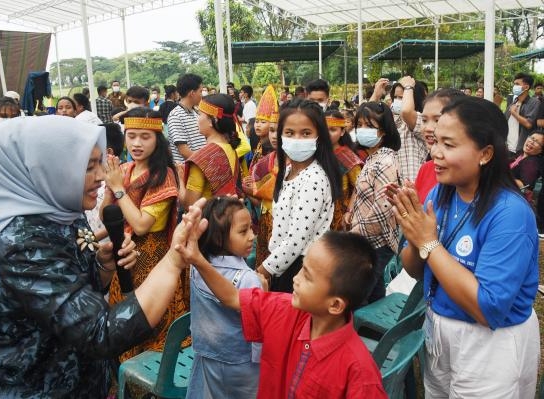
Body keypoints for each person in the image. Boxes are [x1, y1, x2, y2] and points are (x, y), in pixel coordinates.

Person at [0, 115, 200, 397]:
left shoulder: (62, 215)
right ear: (44, 170)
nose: (101, 177)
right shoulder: (22, 244)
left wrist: (103, 266)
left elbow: (77, 291)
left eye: (99, 163)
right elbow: (99, 333)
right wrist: (174, 259)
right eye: (87, 166)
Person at [391, 96, 540, 398]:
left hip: (489, 344)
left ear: (485, 153)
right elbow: (415, 268)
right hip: (440, 329)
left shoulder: (509, 214)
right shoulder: (440, 193)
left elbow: (488, 307)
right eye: (435, 142)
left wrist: (429, 243)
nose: (435, 153)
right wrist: (413, 233)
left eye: (449, 144)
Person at [175, 211, 387, 398]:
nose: (296, 278)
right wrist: (198, 260)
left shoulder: (359, 372)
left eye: (307, 276)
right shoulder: (284, 310)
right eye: (302, 268)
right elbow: (232, 297)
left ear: (335, 305)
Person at [101, 108, 187, 358]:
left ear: (158, 139)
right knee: (123, 321)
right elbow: (107, 216)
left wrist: (118, 188)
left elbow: (140, 225)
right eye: (132, 136)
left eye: (145, 137)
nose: (137, 143)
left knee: (152, 323)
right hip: (124, 254)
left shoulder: (164, 176)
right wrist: (110, 187)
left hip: (150, 258)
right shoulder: (125, 169)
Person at [257, 99, 342, 293]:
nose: (297, 139)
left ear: (318, 136)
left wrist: (261, 272)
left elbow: (295, 242)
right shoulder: (288, 170)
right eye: (289, 133)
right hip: (283, 264)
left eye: (306, 133)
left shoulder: (313, 179)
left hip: (299, 268)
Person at [186, 197, 261, 399]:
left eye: (251, 229)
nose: (252, 236)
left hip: (208, 356)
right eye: (243, 231)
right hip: (243, 366)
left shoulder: (196, 267)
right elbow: (259, 333)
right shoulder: (248, 279)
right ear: (219, 238)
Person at [349, 101, 401, 303]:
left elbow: (384, 209)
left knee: (359, 294)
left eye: (370, 126)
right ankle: (372, 329)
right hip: (369, 240)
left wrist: (354, 233)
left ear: (384, 131)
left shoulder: (385, 162)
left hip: (377, 243)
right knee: (374, 293)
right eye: (359, 125)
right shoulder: (373, 158)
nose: (363, 130)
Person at [183, 94, 240, 208]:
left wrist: (179, 181)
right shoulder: (230, 148)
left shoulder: (201, 158)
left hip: (207, 221)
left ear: (211, 120)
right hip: (226, 217)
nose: (197, 119)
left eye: (199, 114)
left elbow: (189, 205)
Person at [414, 88, 465, 203]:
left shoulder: (468, 174)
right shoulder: (426, 169)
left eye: (437, 120)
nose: (428, 128)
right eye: (424, 120)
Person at [247, 113, 279, 269]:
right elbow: (260, 198)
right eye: (272, 130)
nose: (274, 136)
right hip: (265, 218)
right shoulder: (264, 162)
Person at [324, 109, 363, 231]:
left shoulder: (348, 157)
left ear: (342, 132)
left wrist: (349, 211)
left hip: (339, 214)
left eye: (333, 130)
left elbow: (359, 187)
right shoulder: (315, 153)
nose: (327, 134)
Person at [168, 73, 205, 164]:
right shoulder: (176, 115)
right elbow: (184, 151)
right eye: (200, 91)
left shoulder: (195, 112)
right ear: (192, 93)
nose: (202, 95)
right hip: (187, 172)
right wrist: (205, 164)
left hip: (199, 168)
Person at [505, 72, 540, 159]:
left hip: (520, 150)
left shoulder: (534, 102)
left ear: (526, 87)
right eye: (514, 84)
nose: (514, 87)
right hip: (507, 148)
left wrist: (514, 113)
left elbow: (528, 124)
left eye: (517, 84)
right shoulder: (513, 102)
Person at [510, 131, 544, 202]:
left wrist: (503, 175)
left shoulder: (531, 163)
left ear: (541, 150)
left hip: (515, 199)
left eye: (537, 142)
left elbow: (524, 188)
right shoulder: (520, 154)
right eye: (532, 138)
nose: (531, 142)